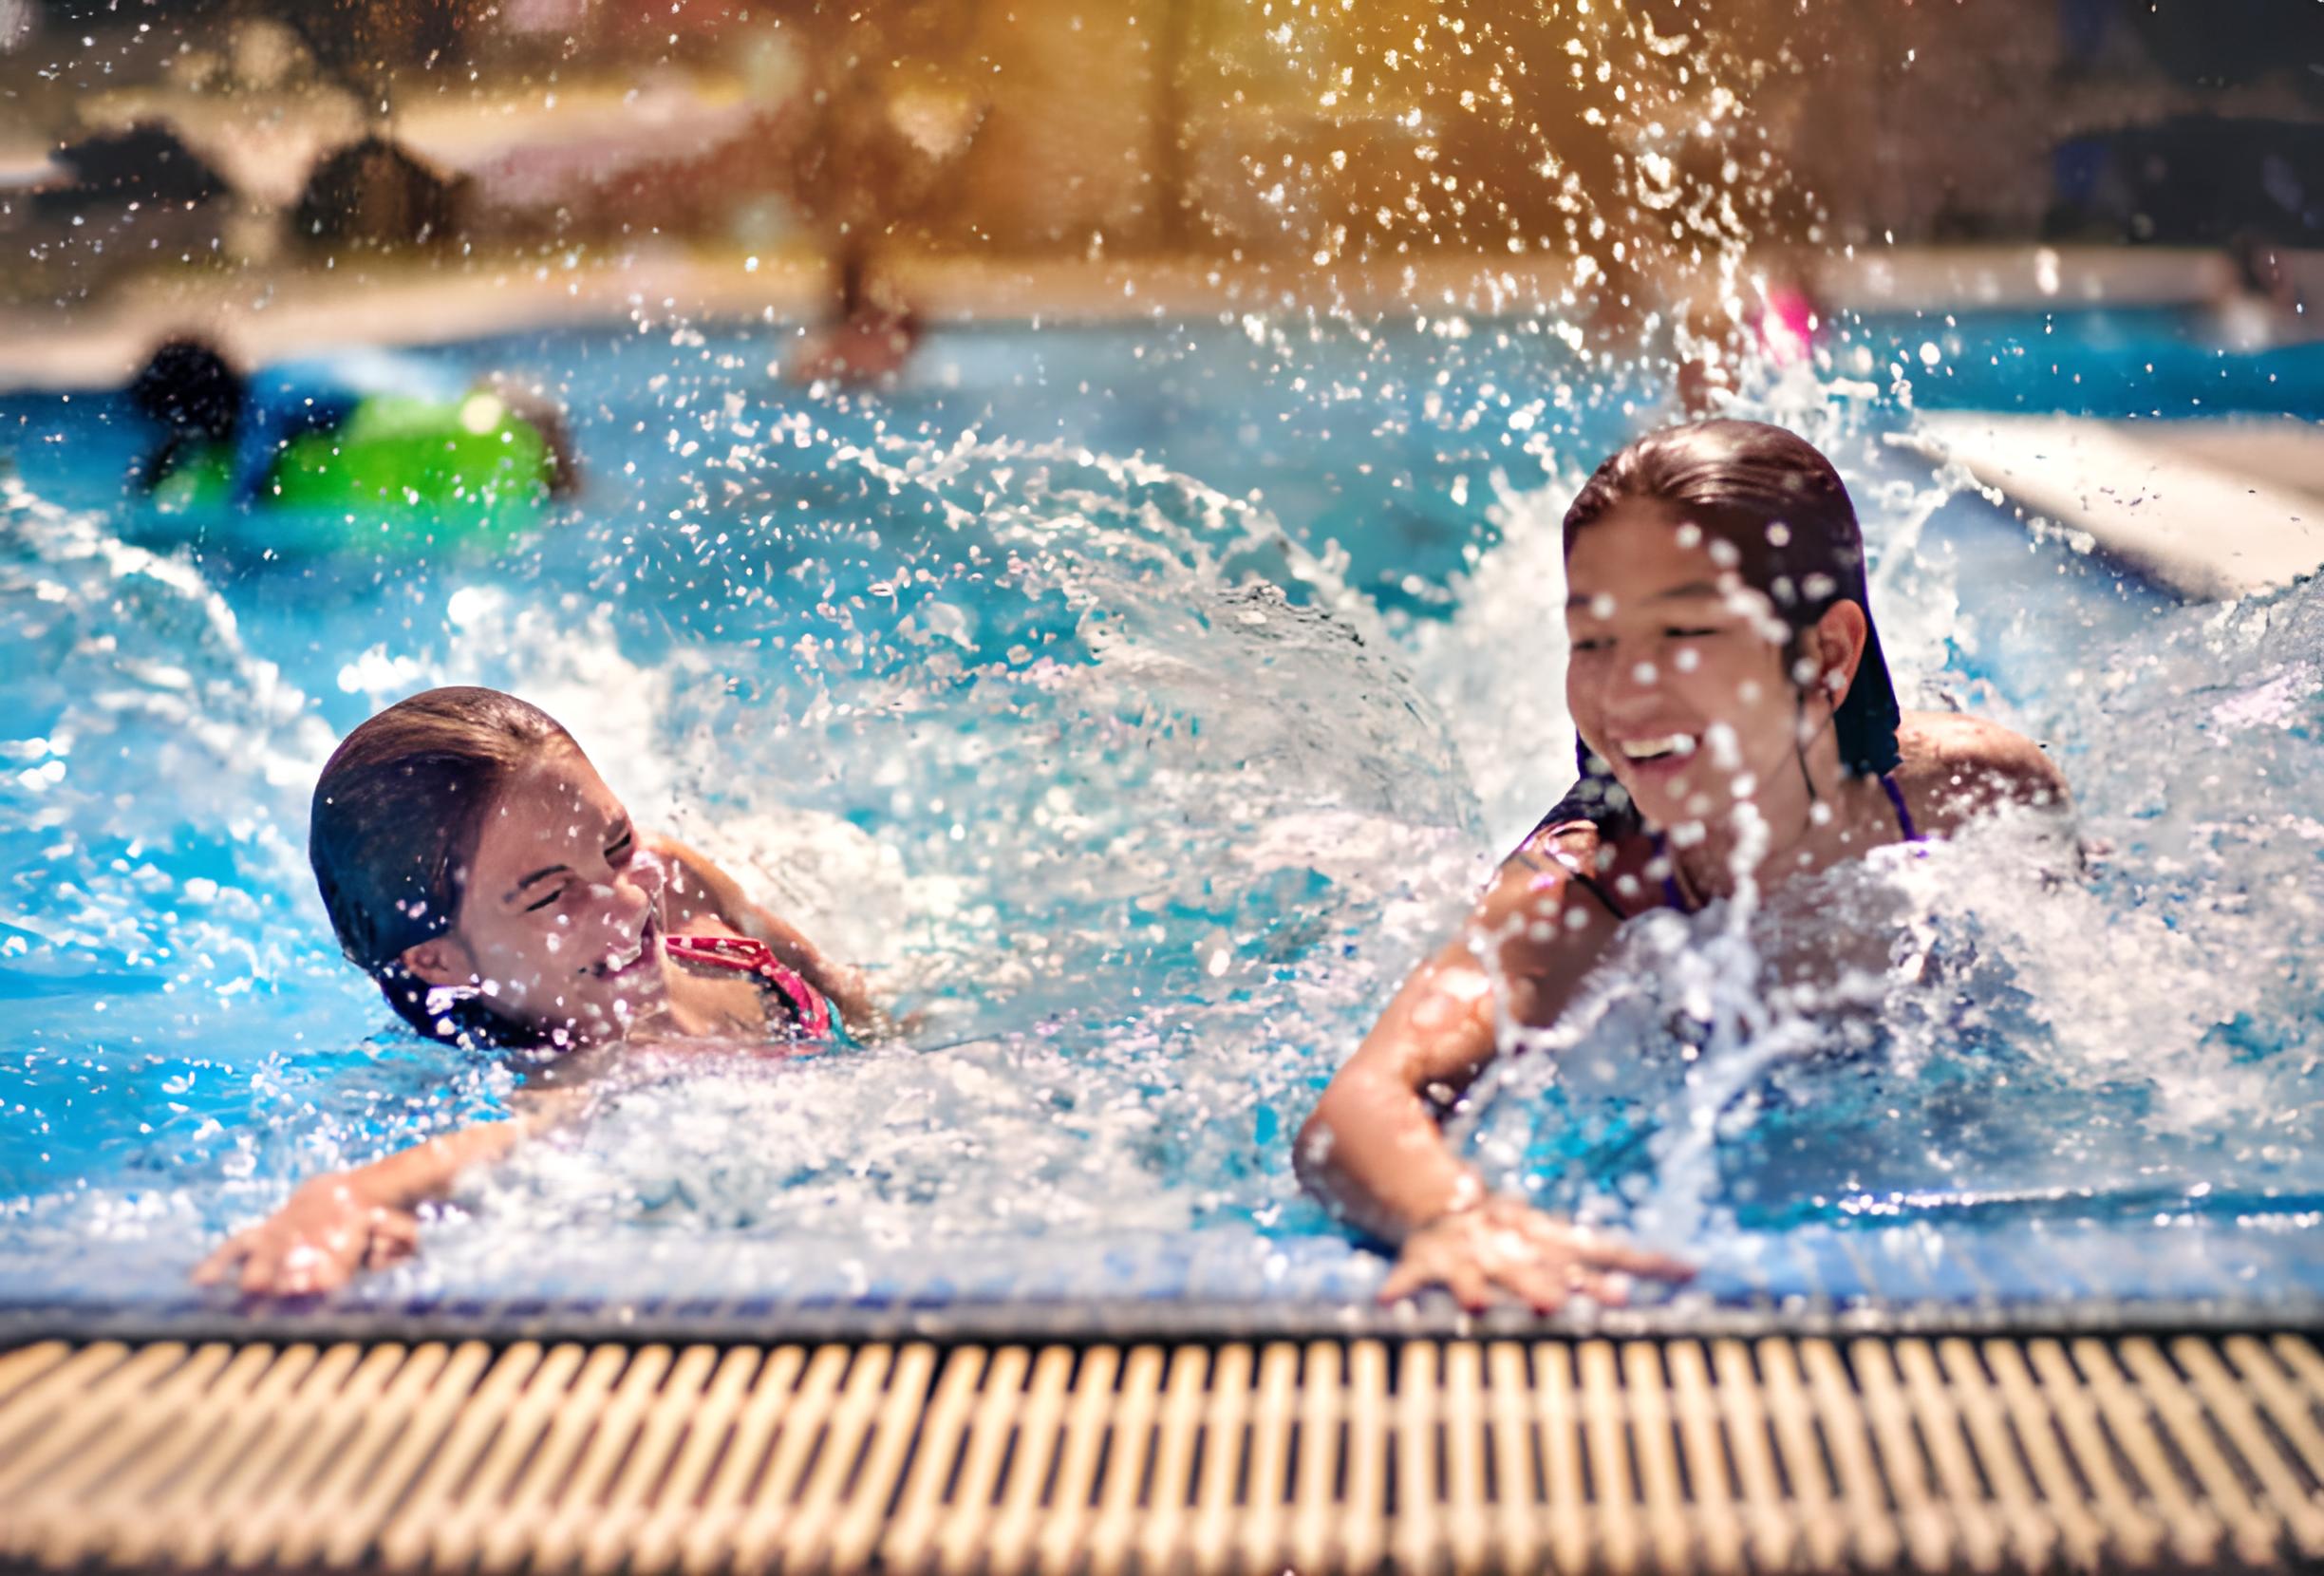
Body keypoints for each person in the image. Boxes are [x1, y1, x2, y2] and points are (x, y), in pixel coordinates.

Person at [1295, 420, 2071, 1313]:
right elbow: (1357, 1110)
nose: (1625, 693)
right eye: (1594, 641)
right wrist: (1452, 1214)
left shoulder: (1978, 791)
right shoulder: (1587, 886)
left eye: (1685, 633)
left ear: (1826, 656)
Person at [195, 686, 887, 1295]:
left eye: (614, 843)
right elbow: (513, 1137)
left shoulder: (671, 878)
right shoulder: (567, 1073)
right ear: (439, 961)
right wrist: (345, 1199)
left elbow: (845, 994)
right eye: (554, 895)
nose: (628, 901)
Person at [128, 336, 580, 507]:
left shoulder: (262, 409)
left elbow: (249, 493)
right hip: (490, 389)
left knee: (558, 488)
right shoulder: (277, 376)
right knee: (565, 493)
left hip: (465, 408)